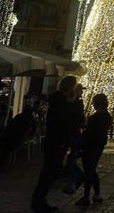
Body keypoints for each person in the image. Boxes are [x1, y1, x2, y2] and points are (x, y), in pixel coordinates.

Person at [30, 74, 78, 213]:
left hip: (55, 141)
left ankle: (40, 200)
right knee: (48, 173)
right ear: (70, 86)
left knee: (49, 173)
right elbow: (62, 122)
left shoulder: (58, 99)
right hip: (57, 142)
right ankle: (38, 201)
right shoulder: (61, 101)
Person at [75, 92, 112, 207]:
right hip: (99, 146)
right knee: (92, 170)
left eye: (94, 103)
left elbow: (88, 133)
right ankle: (96, 194)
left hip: (89, 146)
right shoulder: (107, 116)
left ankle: (86, 197)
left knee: (88, 171)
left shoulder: (93, 118)